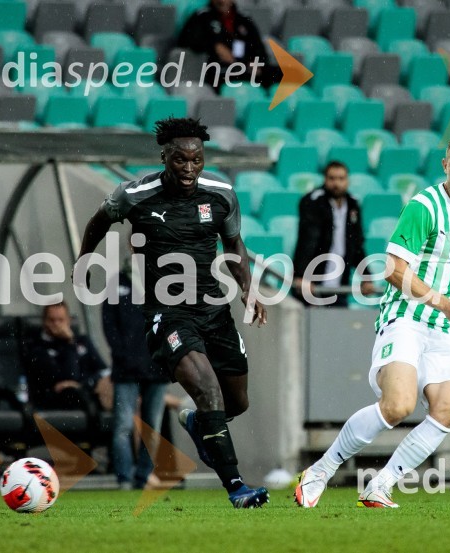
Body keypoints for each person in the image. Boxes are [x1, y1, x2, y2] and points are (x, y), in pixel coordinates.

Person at [74, 117, 269, 508]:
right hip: (168, 314)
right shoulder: (135, 194)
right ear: (165, 156)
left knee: (237, 402)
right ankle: (236, 487)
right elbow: (99, 221)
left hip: (214, 310)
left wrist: (249, 289)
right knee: (208, 390)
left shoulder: (222, 194)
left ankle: (197, 423)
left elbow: (233, 243)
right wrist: (84, 260)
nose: (189, 168)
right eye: (180, 160)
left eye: (196, 160)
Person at [295, 133, 450, 508]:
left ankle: (380, 484)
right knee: (398, 404)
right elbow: (393, 270)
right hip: (407, 316)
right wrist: (444, 304)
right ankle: (320, 470)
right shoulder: (424, 207)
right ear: (444, 166)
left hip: (447, 325)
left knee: (448, 408)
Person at [103, 269, 170, 491]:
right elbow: (109, 323)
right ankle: (124, 478)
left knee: (152, 427)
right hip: (126, 369)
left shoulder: (164, 279)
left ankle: (143, 477)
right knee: (123, 425)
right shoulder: (118, 282)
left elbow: (173, 319)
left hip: (157, 366)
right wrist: (122, 354)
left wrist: (165, 353)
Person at [293, 161, 378, 307]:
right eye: (332, 178)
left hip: (340, 285)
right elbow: (307, 241)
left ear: (347, 180)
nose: (336, 183)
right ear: (325, 179)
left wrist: (366, 276)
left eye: (341, 178)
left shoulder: (353, 204)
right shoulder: (314, 202)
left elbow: (356, 245)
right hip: (313, 283)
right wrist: (302, 276)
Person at [24, 302, 111, 420]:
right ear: (44, 321)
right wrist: (69, 343)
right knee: (70, 392)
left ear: (69, 320)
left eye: (61, 320)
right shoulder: (36, 347)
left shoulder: (83, 341)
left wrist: (82, 385)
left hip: (89, 392)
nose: (56, 324)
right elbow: (69, 376)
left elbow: (104, 371)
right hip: (57, 399)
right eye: (52, 320)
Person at [177, 0, 280, 88]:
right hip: (218, 70)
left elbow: (258, 47)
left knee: (283, 73)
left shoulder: (243, 19)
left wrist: (255, 61)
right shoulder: (202, 16)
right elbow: (185, 40)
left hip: (245, 67)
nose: (222, 1)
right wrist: (214, 46)